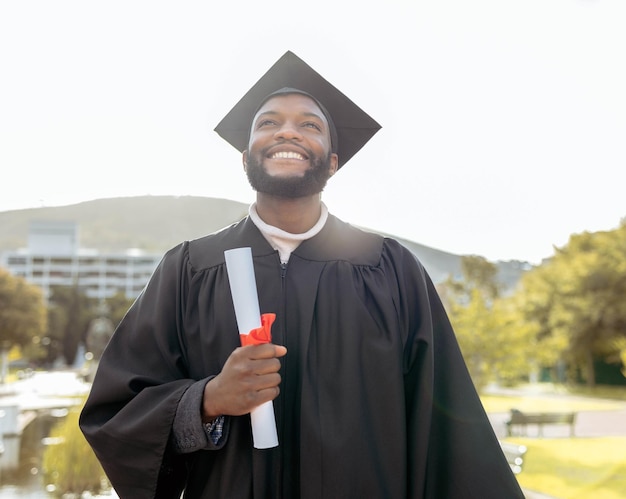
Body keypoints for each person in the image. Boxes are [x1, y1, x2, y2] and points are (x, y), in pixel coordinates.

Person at [80, 51, 524, 498]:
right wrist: (208, 400)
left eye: (309, 124)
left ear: (332, 161)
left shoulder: (390, 270)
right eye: (268, 123)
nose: (287, 131)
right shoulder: (191, 269)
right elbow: (116, 413)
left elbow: (449, 429)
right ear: (245, 157)